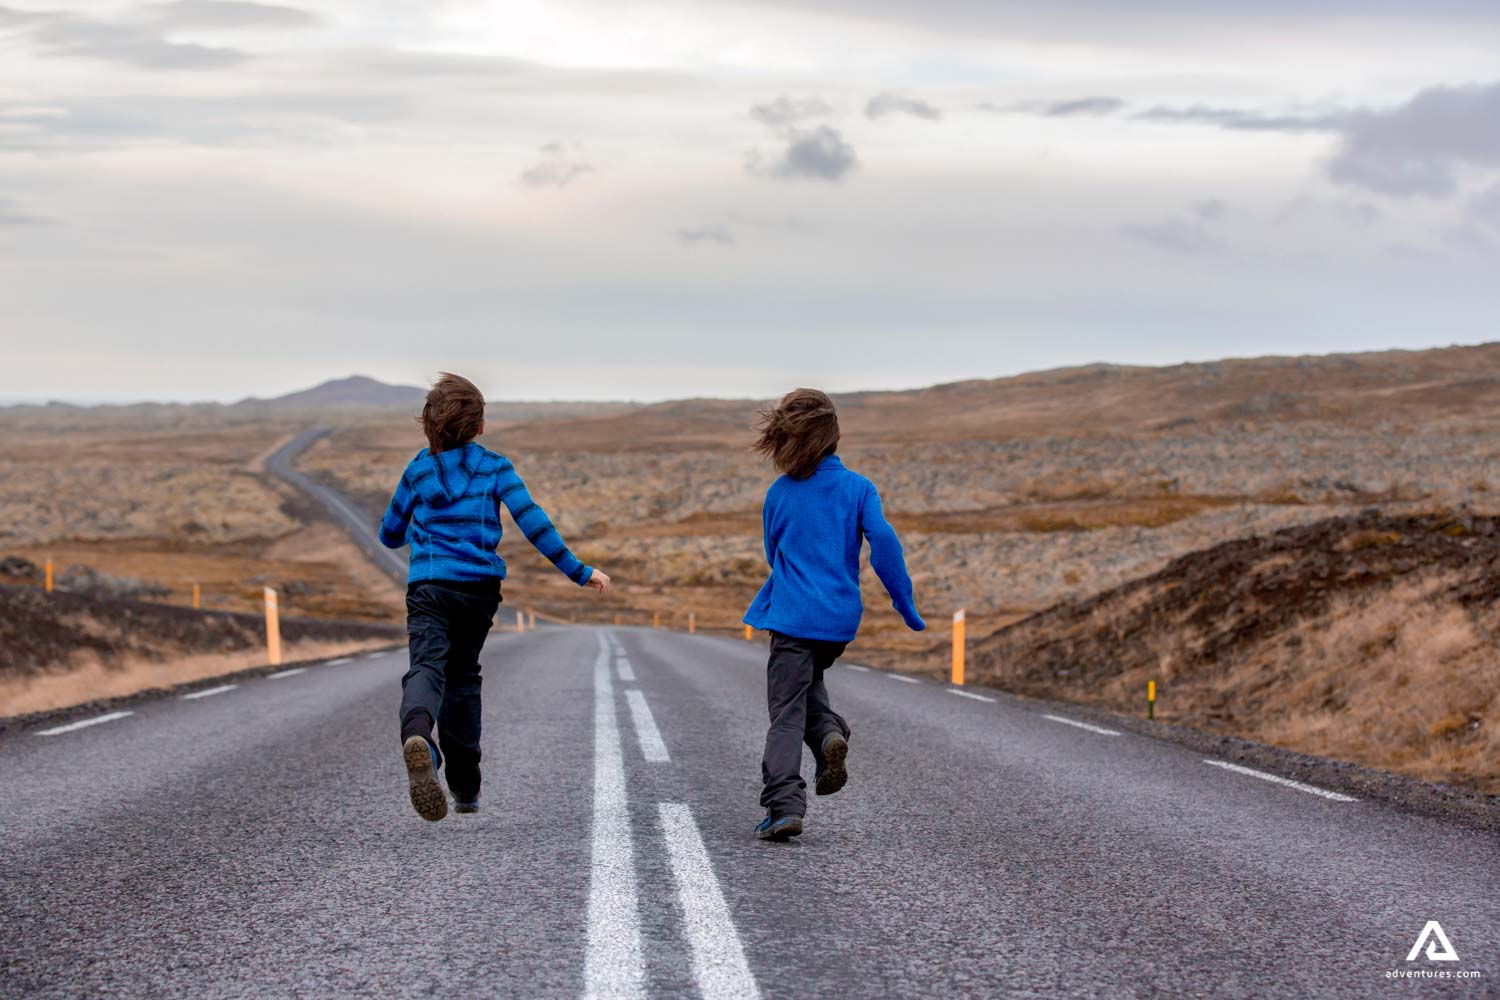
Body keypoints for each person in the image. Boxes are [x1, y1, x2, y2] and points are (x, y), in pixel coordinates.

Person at [379, 372, 610, 821]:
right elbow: (534, 523)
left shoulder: (417, 471)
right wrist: (579, 572)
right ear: (480, 427)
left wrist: (423, 530)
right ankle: (465, 789)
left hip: (428, 586)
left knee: (427, 667)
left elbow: (389, 535)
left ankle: (420, 736)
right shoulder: (496, 468)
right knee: (463, 679)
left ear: (429, 427)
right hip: (478, 591)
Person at [743, 388, 925, 841]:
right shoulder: (859, 489)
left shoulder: (779, 494)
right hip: (838, 624)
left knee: (785, 711)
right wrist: (906, 606)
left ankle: (784, 803)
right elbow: (885, 546)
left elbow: (773, 554)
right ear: (835, 436)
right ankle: (827, 735)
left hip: (792, 620)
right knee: (807, 686)